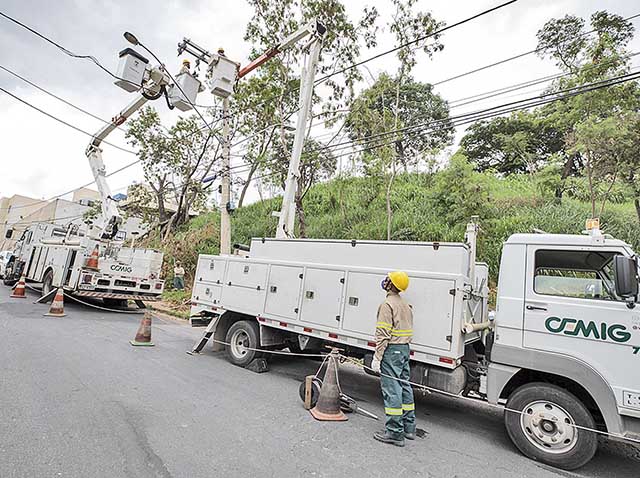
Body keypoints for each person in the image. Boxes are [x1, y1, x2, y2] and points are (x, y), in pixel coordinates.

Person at [371, 271, 415, 447]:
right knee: (404, 385)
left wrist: (377, 357)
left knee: (392, 390)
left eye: (388, 279)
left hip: (392, 351)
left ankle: (395, 433)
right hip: (404, 349)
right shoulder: (406, 305)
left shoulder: (387, 305)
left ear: (391, 285)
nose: (385, 281)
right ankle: (409, 427)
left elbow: (383, 334)